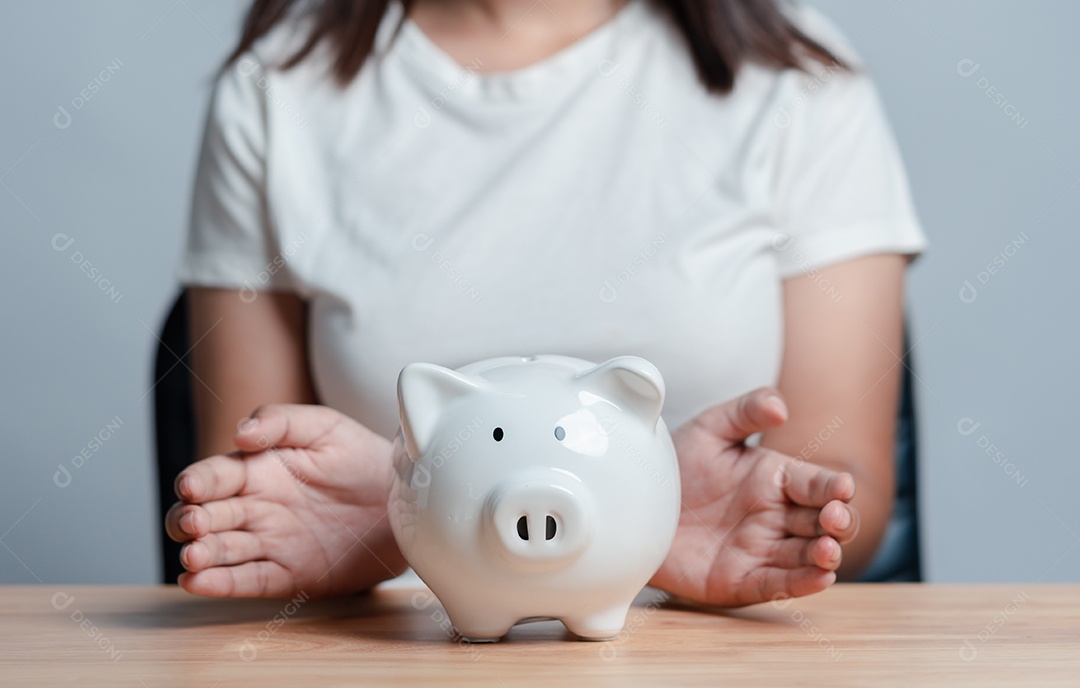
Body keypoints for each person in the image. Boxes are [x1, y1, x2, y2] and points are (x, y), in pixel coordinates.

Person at [165, 0, 927, 607]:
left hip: (706, 661)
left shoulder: (798, 79)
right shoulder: (279, 87)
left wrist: (682, 518)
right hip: (397, 661)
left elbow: (846, 482)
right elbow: (256, 482)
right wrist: (385, 519)